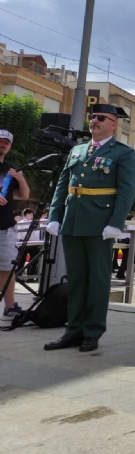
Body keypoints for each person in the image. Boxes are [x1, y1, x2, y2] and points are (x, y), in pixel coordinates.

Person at [43, 104, 135, 352]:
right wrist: (55, 215)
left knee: (97, 280)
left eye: (100, 118)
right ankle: (73, 330)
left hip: (100, 223)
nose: (94, 121)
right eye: (92, 117)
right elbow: (63, 185)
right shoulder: (78, 150)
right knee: (76, 280)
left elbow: (126, 192)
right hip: (73, 221)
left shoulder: (123, 153)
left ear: (113, 124)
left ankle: (92, 331)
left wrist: (115, 223)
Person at [0, 129, 30, 324]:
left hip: (5, 226)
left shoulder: (11, 168)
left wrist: (20, 178)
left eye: (6, 142)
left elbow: (24, 196)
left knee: (6, 268)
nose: (2, 145)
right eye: (0, 141)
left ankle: (10, 307)